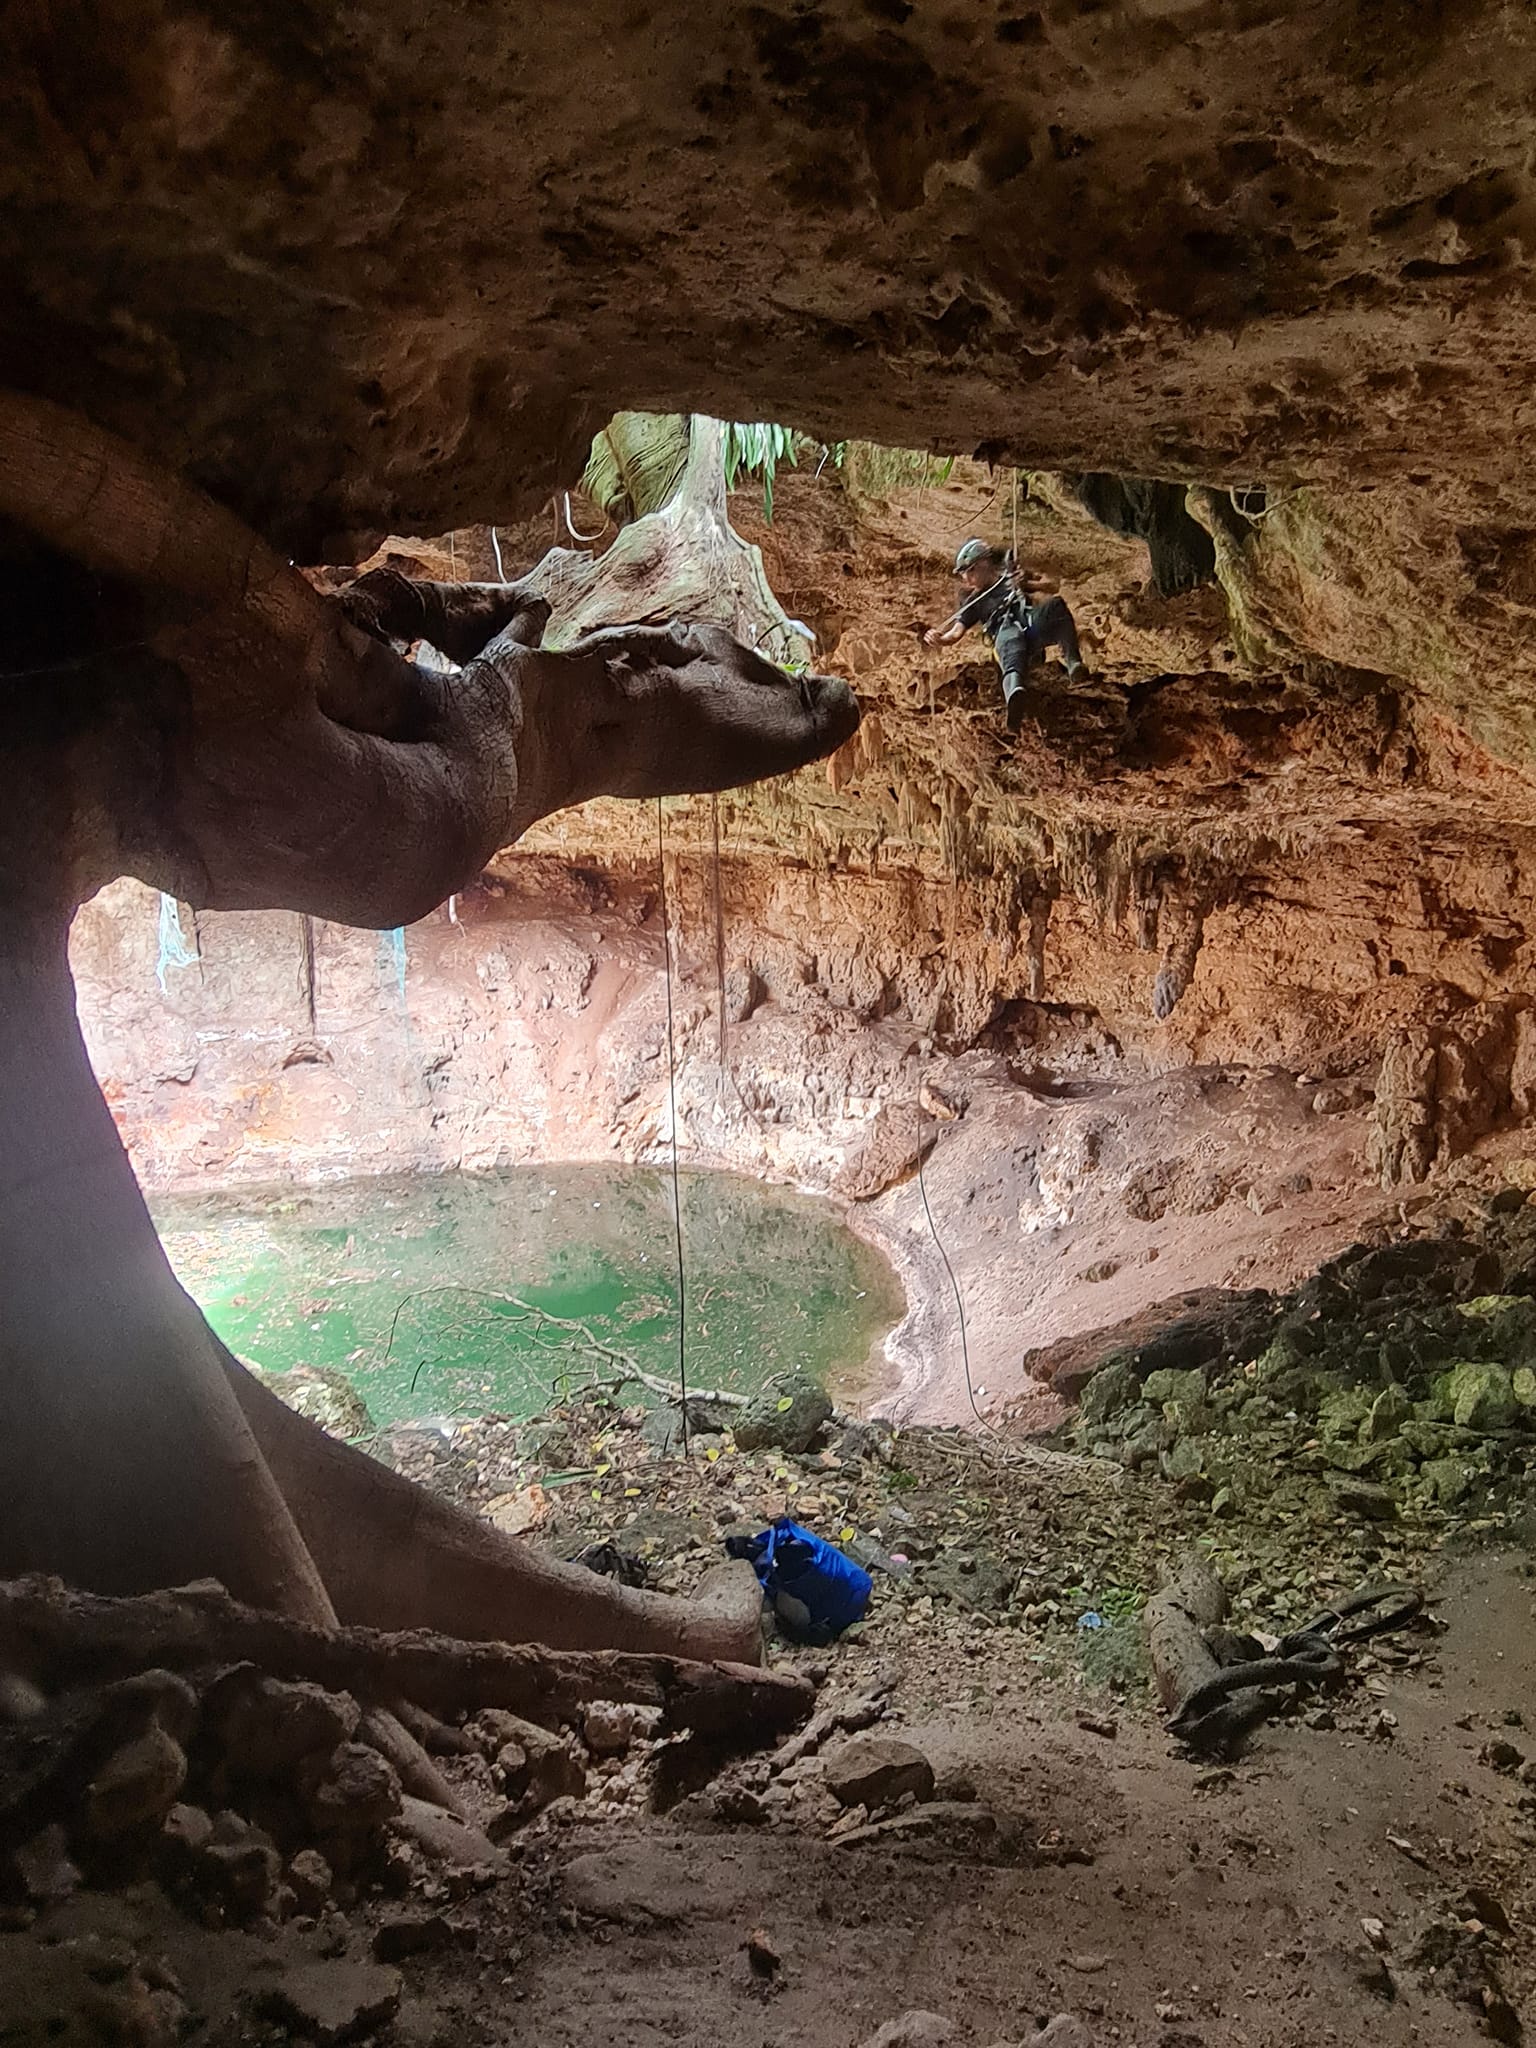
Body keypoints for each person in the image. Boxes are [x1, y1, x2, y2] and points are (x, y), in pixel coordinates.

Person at [924, 538, 1086, 732]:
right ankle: (1014, 697)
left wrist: (1028, 583)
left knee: (1056, 607)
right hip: (1004, 634)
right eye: (963, 573)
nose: (966, 578)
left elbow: (1053, 586)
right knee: (1012, 639)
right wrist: (939, 639)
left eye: (970, 570)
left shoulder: (1009, 575)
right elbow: (956, 632)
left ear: (984, 563)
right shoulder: (973, 602)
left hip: (1029, 627)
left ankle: (1074, 663)